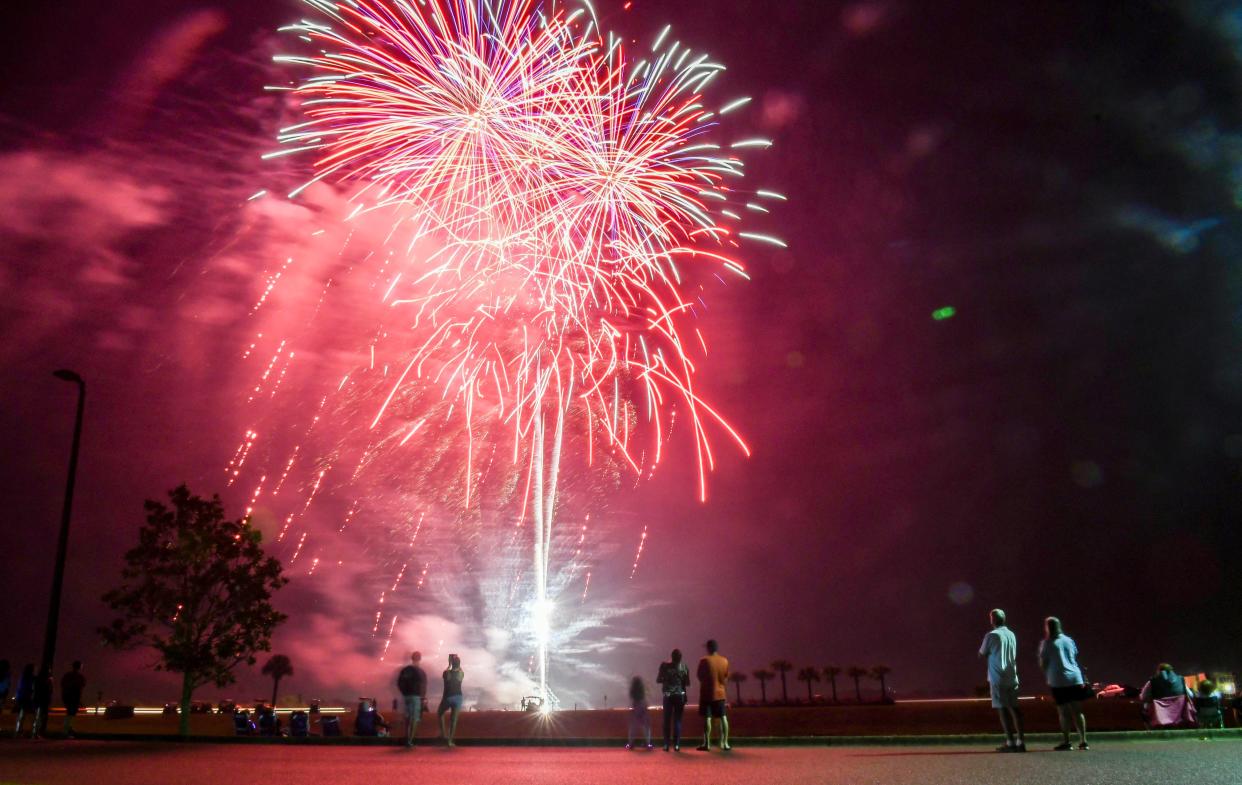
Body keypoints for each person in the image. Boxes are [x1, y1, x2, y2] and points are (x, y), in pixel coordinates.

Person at [1036, 616, 1090, 751]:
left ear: (1047, 627)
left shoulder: (1047, 643)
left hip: (1058, 680)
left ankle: (1066, 741)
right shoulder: (1069, 640)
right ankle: (1083, 741)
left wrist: (1047, 673)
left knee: (1064, 712)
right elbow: (1074, 657)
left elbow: (1043, 663)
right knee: (1077, 711)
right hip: (1075, 678)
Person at [978, 609, 1025, 752]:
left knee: (1002, 710)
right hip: (1012, 675)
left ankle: (1010, 742)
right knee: (1015, 709)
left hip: (997, 677)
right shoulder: (1011, 634)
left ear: (993, 620)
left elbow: (982, 654)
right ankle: (1021, 741)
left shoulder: (991, 635)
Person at [695, 639, 730, 751]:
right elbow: (726, 677)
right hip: (720, 693)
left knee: (707, 718)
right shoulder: (725, 660)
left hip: (707, 693)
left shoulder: (704, 660)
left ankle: (707, 744)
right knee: (723, 717)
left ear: (708, 648)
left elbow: (699, 676)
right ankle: (725, 743)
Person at [656, 648, 690, 751]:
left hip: (668, 695)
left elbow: (658, 680)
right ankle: (677, 745)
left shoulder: (664, 666)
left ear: (671, 656)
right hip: (680, 695)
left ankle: (666, 744)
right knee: (677, 721)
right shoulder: (684, 667)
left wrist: (666, 679)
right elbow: (686, 683)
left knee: (666, 720)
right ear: (680, 658)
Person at [397, 650, 428, 748]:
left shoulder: (405, 670)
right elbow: (423, 686)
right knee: (415, 718)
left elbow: (399, 683)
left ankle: (406, 737)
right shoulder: (421, 672)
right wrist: (423, 698)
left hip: (407, 696)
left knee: (407, 717)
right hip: (416, 697)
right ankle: (410, 740)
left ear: (412, 658)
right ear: (420, 659)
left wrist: (404, 693)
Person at [438, 654, 464, 747]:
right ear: (459, 664)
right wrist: (456, 662)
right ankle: (450, 741)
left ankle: (443, 734)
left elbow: (447, 671)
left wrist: (449, 664)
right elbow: (460, 670)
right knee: (454, 720)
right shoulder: (461, 673)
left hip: (448, 697)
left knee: (440, 713)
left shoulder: (446, 673)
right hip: (458, 697)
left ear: (452, 663)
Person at [625, 676, 653, 750]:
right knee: (646, 727)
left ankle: (631, 743)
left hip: (636, 705)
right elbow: (647, 696)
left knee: (633, 726)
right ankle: (648, 743)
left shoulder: (633, 690)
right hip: (643, 705)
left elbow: (631, 697)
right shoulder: (643, 689)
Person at [61, 661, 86, 738]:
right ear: (80, 667)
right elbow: (80, 688)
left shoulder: (67, 676)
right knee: (71, 714)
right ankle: (66, 731)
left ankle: (68, 729)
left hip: (67, 697)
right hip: (74, 697)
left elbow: (63, 685)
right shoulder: (80, 677)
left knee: (69, 713)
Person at [13, 664, 34, 737]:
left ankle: (18, 730)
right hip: (25, 698)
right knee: (24, 715)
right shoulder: (29, 678)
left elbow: (20, 688)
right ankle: (20, 730)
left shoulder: (22, 677)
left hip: (21, 697)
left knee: (21, 715)